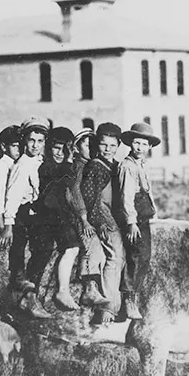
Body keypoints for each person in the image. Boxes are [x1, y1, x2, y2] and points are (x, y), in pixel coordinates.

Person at [27, 126, 81, 311]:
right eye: (57, 148)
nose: (60, 153)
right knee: (43, 250)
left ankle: (63, 291)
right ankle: (29, 295)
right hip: (45, 217)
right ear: (49, 147)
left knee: (73, 247)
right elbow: (64, 178)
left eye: (65, 149)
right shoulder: (46, 167)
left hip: (59, 217)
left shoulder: (60, 167)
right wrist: (68, 159)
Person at [5, 116, 50, 318]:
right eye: (32, 140)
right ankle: (29, 293)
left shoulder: (40, 161)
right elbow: (13, 196)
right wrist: (8, 223)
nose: (35, 145)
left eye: (40, 141)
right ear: (24, 141)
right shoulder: (23, 164)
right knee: (41, 246)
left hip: (36, 209)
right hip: (23, 212)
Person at [81, 122, 126, 325]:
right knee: (114, 256)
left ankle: (122, 301)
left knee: (123, 256)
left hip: (115, 215)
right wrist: (99, 222)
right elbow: (90, 198)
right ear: (97, 145)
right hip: (102, 216)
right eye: (103, 145)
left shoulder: (116, 165)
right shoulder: (95, 166)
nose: (108, 150)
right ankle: (107, 307)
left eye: (112, 146)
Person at [116, 122, 161, 321]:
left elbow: (147, 192)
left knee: (145, 256)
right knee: (136, 255)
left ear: (149, 147)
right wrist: (131, 222)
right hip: (133, 219)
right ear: (130, 144)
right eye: (136, 143)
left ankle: (135, 294)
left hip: (142, 217)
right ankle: (128, 299)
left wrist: (153, 213)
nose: (139, 148)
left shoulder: (141, 165)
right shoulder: (127, 166)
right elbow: (126, 197)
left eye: (143, 144)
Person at [65, 127, 109, 308]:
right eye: (85, 143)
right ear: (76, 147)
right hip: (77, 215)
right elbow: (73, 193)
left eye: (93, 142)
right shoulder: (78, 166)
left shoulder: (93, 165)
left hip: (91, 216)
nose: (90, 147)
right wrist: (84, 219)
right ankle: (89, 289)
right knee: (93, 245)